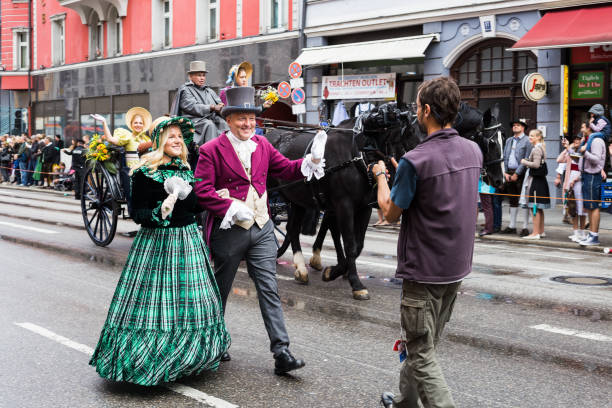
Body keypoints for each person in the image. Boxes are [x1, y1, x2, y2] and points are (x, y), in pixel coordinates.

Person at [194, 86, 326, 374]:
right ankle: (214, 342)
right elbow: (201, 191)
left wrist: (310, 161)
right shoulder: (210, 150)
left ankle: (282, 352)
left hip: (263, 228)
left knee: (269, 289)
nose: (248, 124)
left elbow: (287, 170)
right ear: (228, 120)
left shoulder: (263, 145)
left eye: (251, 118)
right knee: (220, 290)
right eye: (241, 118)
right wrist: (227, 207)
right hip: (229, 231)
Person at [89, 116, 230, 386]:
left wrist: (214, 198)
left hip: (188, 242)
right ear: (159, 141)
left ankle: (188, 358)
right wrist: (159, 211)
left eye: (180, 137)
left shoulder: (187, 170)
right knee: (157, 305)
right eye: (171, 136)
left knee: (192, 302)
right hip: (157, 244)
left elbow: (192, 208)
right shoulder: (144, 172)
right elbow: (138, 212)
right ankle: (153, 360)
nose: (176, 141)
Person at [375, 77, 482, 408]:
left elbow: (390, 213)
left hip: (423, 270)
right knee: (423, 343)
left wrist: (381, 176)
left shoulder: (415, 160)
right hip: (456, 267)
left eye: (416, 105)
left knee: (421, 352)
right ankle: (406, 401)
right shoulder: (473, 150)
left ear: (425, 110)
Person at [170, 60, 228, 148]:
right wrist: (212, 107)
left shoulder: (209, 91)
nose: (202, 78)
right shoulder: (186, 90)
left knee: (223, 123)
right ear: (190, 76)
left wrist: (221, 108)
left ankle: (225, 151)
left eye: (203, 75)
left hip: (208, 119)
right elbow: (192, 107)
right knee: (209, 125)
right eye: (199, 75)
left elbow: (219, 103)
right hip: (193, 121)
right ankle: (209, 153)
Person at [502, 119, 532, 236]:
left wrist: (517, 174)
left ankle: (525, 227)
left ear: (523, 127)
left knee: (524, 200)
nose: (515, 127)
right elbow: (505, 156)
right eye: (513, 125)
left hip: (522, 174)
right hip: (509, 173)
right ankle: (512, 225)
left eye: (518, 125)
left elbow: (527, 159)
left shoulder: (527, 141)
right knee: (512, 199)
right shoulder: (509, 140)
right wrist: (505, 172)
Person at [579, 120, 607, 246]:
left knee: (593, 206)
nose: (581, 129)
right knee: (589, 207)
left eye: (582, 127)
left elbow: (596, 160)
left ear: (589, 128)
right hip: (586, 175)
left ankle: (594, 236)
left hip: (592, 176)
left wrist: (584, 152)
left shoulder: (596, 141)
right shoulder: (588, 140)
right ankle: (591, 234)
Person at [520, 129, 550, 240]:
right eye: (530, 135)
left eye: (532, 136)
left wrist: (524, 162)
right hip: (541, 181)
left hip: (536, 181)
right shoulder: (541, 147)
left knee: (535, 207)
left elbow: (536, 165)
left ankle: (535, 233)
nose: (530, 137)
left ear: (538, 137)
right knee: (539, 208)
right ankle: (540, 232)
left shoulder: (537, 149)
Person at [557, 132, 587, 242]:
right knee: (573, 207)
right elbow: (559, 159)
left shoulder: (584, 152)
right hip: (570, 182)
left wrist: (576, 179)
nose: (576, 141)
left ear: (582, 140)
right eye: (575, 139)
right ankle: (575, 233)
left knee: (582, 209)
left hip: (580, 182)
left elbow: (584, 169)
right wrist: (567, 148)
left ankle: (582, 233)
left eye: (578, 139)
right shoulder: (570, 152)